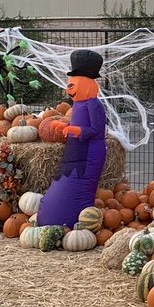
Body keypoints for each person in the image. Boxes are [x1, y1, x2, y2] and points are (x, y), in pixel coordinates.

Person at [36, 49, 107, 228]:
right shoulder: (79, 104)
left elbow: (95, 130)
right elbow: (79, 125)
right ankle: (54, 217)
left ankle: (69, 219)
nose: (69, 87)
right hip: (75, 150)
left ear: (88, 84)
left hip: (89, 152)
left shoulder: (93, 104)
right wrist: (65, 126)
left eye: (74, 83)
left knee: (77, 186)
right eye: (70, 83)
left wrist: (73, 129)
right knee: (66, 179)